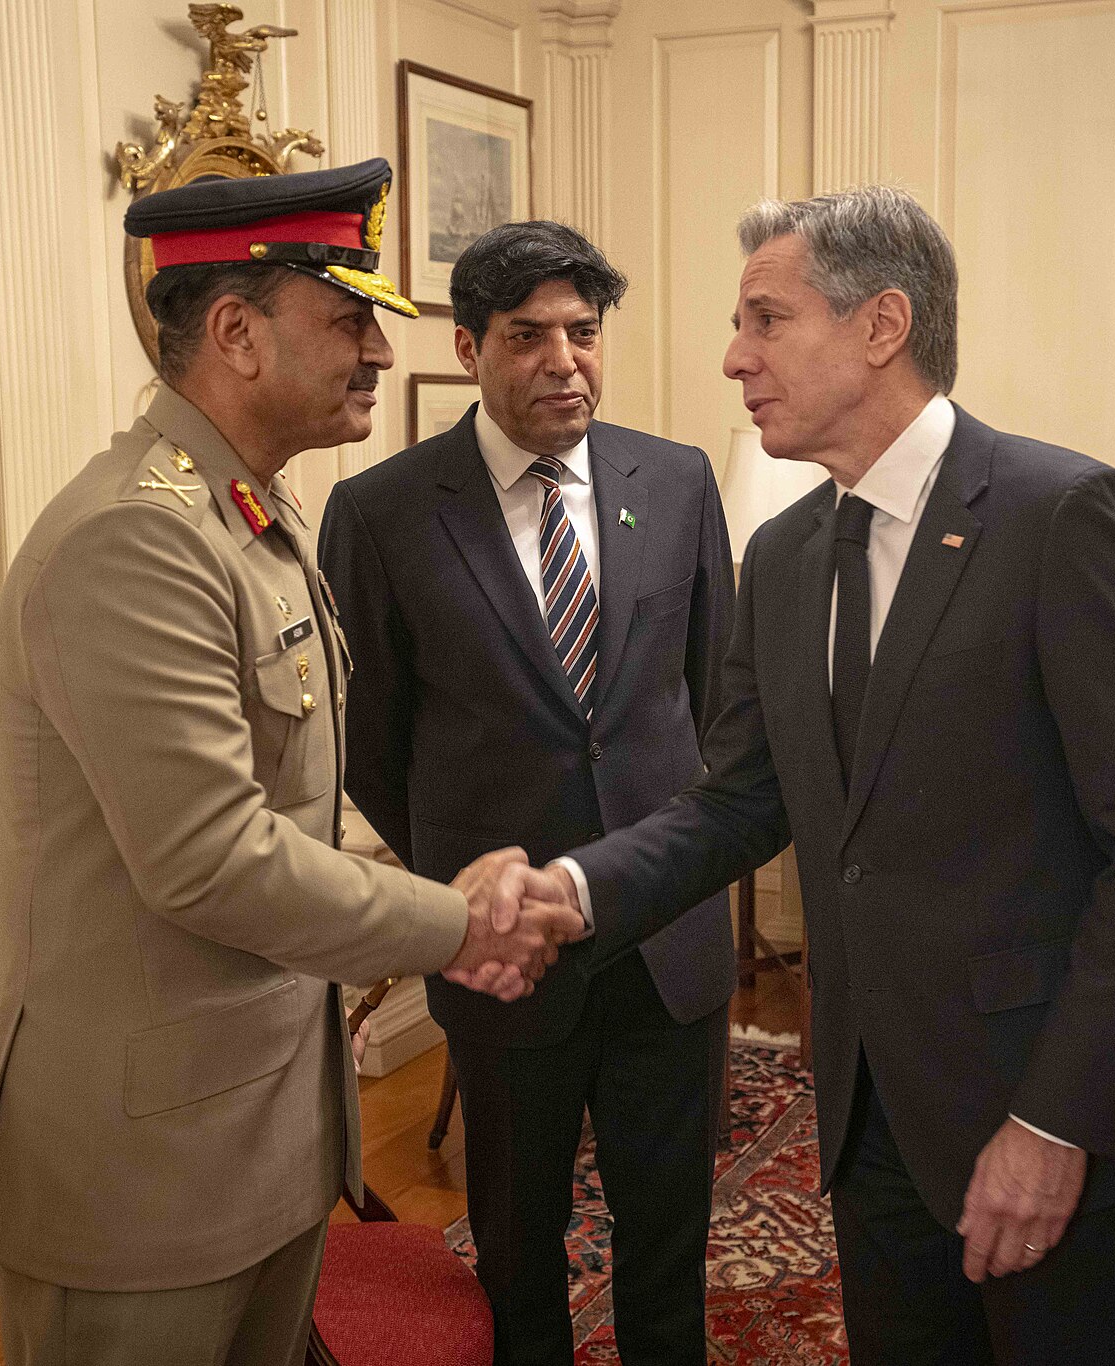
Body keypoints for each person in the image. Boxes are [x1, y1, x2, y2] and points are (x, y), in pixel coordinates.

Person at [499, 185, 1115, 1364]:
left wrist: (1053, 1121)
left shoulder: (1066, 516)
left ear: (882, 326)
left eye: (766, 320)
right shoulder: (781, 556)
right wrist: (575, 889)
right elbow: (740, 797)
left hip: (1049, 1113)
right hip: (871, 1115)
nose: (734, 358)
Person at [0, 159, 583, 1366]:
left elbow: (289, 808)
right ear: (237, 333)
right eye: (349, 320)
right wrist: (455, 922)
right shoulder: (137, 540)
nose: (380, 354)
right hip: (145, 1173)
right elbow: (210, 859)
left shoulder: (250, 514)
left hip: (256, 1130)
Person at [319, 220, 736, 1366]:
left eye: (583, 333)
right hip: (503, 951)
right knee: (518, 1242)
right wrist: (472, 884)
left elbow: (717, 702)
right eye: (528, 335)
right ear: (467, 348)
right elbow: (372, 744)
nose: (564, 360)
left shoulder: (680, 479)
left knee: (669, 1237)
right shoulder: (384, 513)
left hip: (667, 935)